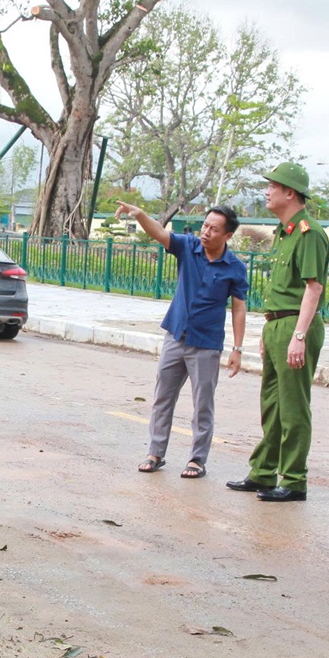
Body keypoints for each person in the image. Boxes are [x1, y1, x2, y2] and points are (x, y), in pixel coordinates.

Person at [115, 202, 249, 479]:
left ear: (227, 235)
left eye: (214, 229)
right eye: (205, 225)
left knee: (203, 404)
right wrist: (139, 215)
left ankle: (197, 460)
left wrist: (237, 348)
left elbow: (238, 307)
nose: (207, 232)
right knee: (163, 398)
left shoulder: (235, 268)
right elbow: (160, 234)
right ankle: (155, 453)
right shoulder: (188, 247)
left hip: (207, 344)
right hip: (176, 336)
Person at [227, 162, 329, 502]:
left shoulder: (309, 233)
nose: (267, 191)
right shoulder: (283, 232)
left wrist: (299, 336)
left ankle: (295, 479)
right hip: (277, 324)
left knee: (293, 406)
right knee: (271, 404)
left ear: (290, 192)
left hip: (295, 325)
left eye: (273, 186)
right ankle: (263, 472)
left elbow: (313, 289)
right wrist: (268, 329)